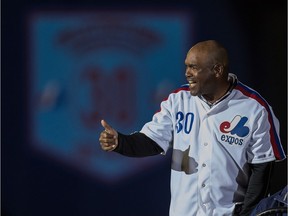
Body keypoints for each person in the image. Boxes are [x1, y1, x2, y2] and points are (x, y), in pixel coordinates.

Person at [99, 40, 286, 216]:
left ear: (217, 70)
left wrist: (247, 214)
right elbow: (152, 142)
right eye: (186, 66)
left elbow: (262, 168)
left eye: (194, 67)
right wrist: (120, 142)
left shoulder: (255, 108)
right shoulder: (178, 100)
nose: (187, 73)